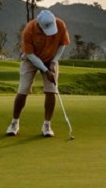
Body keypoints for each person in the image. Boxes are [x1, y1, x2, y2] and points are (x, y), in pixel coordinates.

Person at [6, 9, 70, 137]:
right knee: (23, 90)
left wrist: (53, 62)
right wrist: (45, 71)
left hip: (51, 59)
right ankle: (14, 123)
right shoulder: (29, 30)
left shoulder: (60, 24)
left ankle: (47, 125)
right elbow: (30, 54)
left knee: (51, 91)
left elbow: (62, 44)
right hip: (31, 59)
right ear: (39, 25)